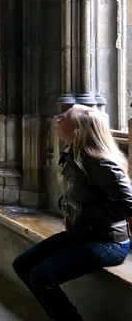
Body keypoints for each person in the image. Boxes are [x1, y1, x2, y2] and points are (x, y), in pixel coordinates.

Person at [12, 105, 132, 321]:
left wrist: (87, 213)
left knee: (41, 276)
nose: (58, 120)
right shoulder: (75, 154)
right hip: (82, 234)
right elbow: (82, 193)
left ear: (78, 130)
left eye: (64, 118)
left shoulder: (100, 163)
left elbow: (129, 204)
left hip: (107, 242)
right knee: (22, 264)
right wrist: (67, 205)